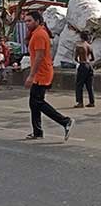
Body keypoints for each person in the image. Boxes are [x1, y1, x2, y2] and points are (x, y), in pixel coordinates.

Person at [24, 11, 74, 141]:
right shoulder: (36, 33)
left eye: (29, 21)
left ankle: (65, 121)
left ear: (37, 21)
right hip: (41, 73)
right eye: (25, 21)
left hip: (42, 74)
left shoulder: (40, 34)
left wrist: (31, 75)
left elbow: (39, 57)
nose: (27, 24)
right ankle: (37, 132)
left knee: (37, 102)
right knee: (34, 103)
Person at [74, 31, 95, 108]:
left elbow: (76, 58)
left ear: (81, 37)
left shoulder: (79, 46)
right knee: (89, 85)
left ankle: (80, 102)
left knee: (79, 85)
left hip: (83, 65)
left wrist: (79, 61)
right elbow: (92, 58)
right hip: (89, 65)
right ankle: (92, 102)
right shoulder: (89, 46)